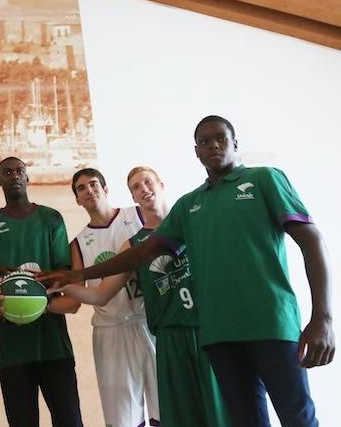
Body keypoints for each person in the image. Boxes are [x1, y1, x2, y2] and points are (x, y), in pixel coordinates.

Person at [42, 116, 335, 427]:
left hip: (272, 325)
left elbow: (312, 241)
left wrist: (323, 319)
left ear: (235, 143)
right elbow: (141, 253)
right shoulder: (190, 205)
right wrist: (74, 276)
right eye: (205, 141)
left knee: (298, 417)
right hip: (220, 336)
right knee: (246, 421)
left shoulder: (265, 180)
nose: (214, 145)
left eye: (221, 138)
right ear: (196, 151)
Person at [61, 166, 230, 426]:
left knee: (198, 407)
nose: (143, 190)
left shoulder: (155, 217)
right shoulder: (94, 243)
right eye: (81, 188)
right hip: (123, 328)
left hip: (162, 323)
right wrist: (54, 285)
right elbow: (98, 294)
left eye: (93, 184)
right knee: (129, 416)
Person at [0, 156, 83, 427]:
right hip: (10, 345)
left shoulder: (51, 218)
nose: (14, 175)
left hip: (52, 341)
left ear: (28, 178)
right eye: (7, 172)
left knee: (69, 419)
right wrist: (4, 302)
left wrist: (32, 294)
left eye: (19, 171)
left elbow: (62, 271)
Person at [63, 168, 159, 427]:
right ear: (77, 199)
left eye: (93, 184)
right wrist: (46, 291)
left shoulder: (138, 215)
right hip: (111, 331)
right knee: (123, 420)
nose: (88, 190)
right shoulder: (78, 243)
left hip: (152, 323)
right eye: (81, 188)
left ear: (106, 189)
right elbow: (76, 300)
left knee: (167, 410)